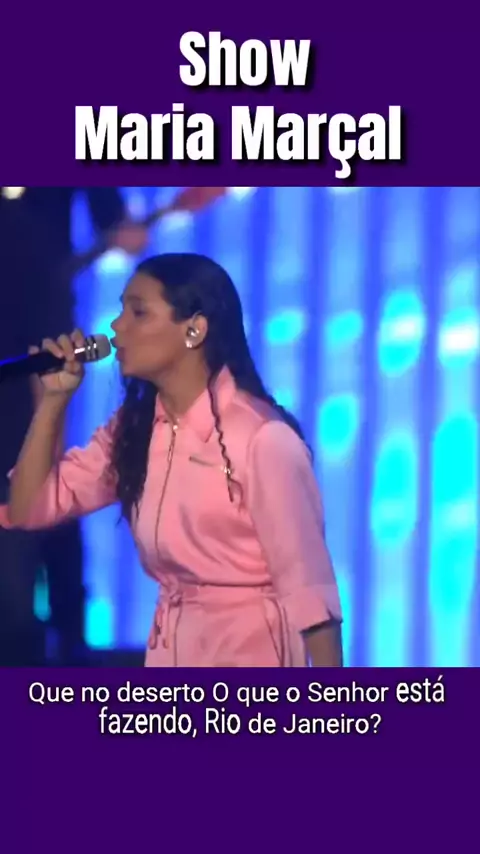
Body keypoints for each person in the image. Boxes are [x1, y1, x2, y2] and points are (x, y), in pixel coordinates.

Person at [0, 253, 343, 667]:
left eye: (138, 312)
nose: (116, 327)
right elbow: (28, 508)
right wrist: (53, 401)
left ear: (194, 329)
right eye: (121, 310)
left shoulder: (262, 438)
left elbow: (309, 590)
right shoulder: (135, 430)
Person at [0, 188, 148, 665]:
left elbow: (46, 356)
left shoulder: (21, 236)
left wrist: (48, 451)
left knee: (16, 605)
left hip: (13, 438)